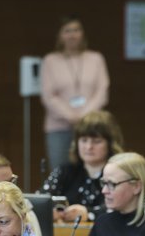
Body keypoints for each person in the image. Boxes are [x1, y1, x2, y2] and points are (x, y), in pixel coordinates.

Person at [41, 15, 110, 170]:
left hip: (92, 126)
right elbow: (49, 96)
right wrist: (72, 116)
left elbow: (102, 91)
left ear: (83, 34)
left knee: (91, 170)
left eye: (76, 30)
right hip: (59, 127)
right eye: (67, 31)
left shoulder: (96, 58)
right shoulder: (50, 60)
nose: (72, 34)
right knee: (61, 170)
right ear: (60, 35)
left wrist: (85, 117)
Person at [41, 110, 124, 222]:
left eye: (96, 141)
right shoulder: (64, 170)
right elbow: (40, 202)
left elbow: (122, 208)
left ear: (110, 144)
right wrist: (49, 211)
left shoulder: (120, 174)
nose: (89, 147)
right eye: (84, 140)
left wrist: (88, 214)